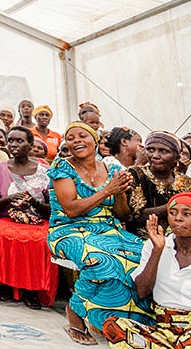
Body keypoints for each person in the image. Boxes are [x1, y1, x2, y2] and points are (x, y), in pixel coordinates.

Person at [48, 122, 153, 344]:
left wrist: (121, 193)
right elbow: (71, 208)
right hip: (69, 230)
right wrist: (108, 190)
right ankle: (75, 311)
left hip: (109, 229)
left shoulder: (113, 170)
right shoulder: (62, 167)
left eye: (82, 136)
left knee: (144, 255)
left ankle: (122, 319)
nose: (76, 141)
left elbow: (122, 215)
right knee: (103, 259)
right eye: (71, 137)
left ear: (95, 141)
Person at [102, 194, 191, 349]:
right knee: (115, 325)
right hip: (163, 330)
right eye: (173, 212)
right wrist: (157, 250)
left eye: (186, 214)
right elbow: (142, 291)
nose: (178, 218)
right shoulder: (155, 245)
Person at [0, 126, 57, 310]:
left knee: (41, 241)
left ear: (31, 145)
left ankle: (32, 290)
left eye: (20, 141)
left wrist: (33, 203)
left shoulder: (45, 171)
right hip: (8, 218)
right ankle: (5, 286)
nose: (14, 145)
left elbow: (53, 208)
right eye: (11, 141)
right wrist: (8, 199)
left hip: (37, 220)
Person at [125, 131, 191, 238]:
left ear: (176, 157)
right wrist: (179, 201)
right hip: (141, 238)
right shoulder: (136, 174)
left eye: (163, 151)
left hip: (177, 238)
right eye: (150, 150)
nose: (155, 156)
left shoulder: (186, 182)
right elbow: (138, 215)